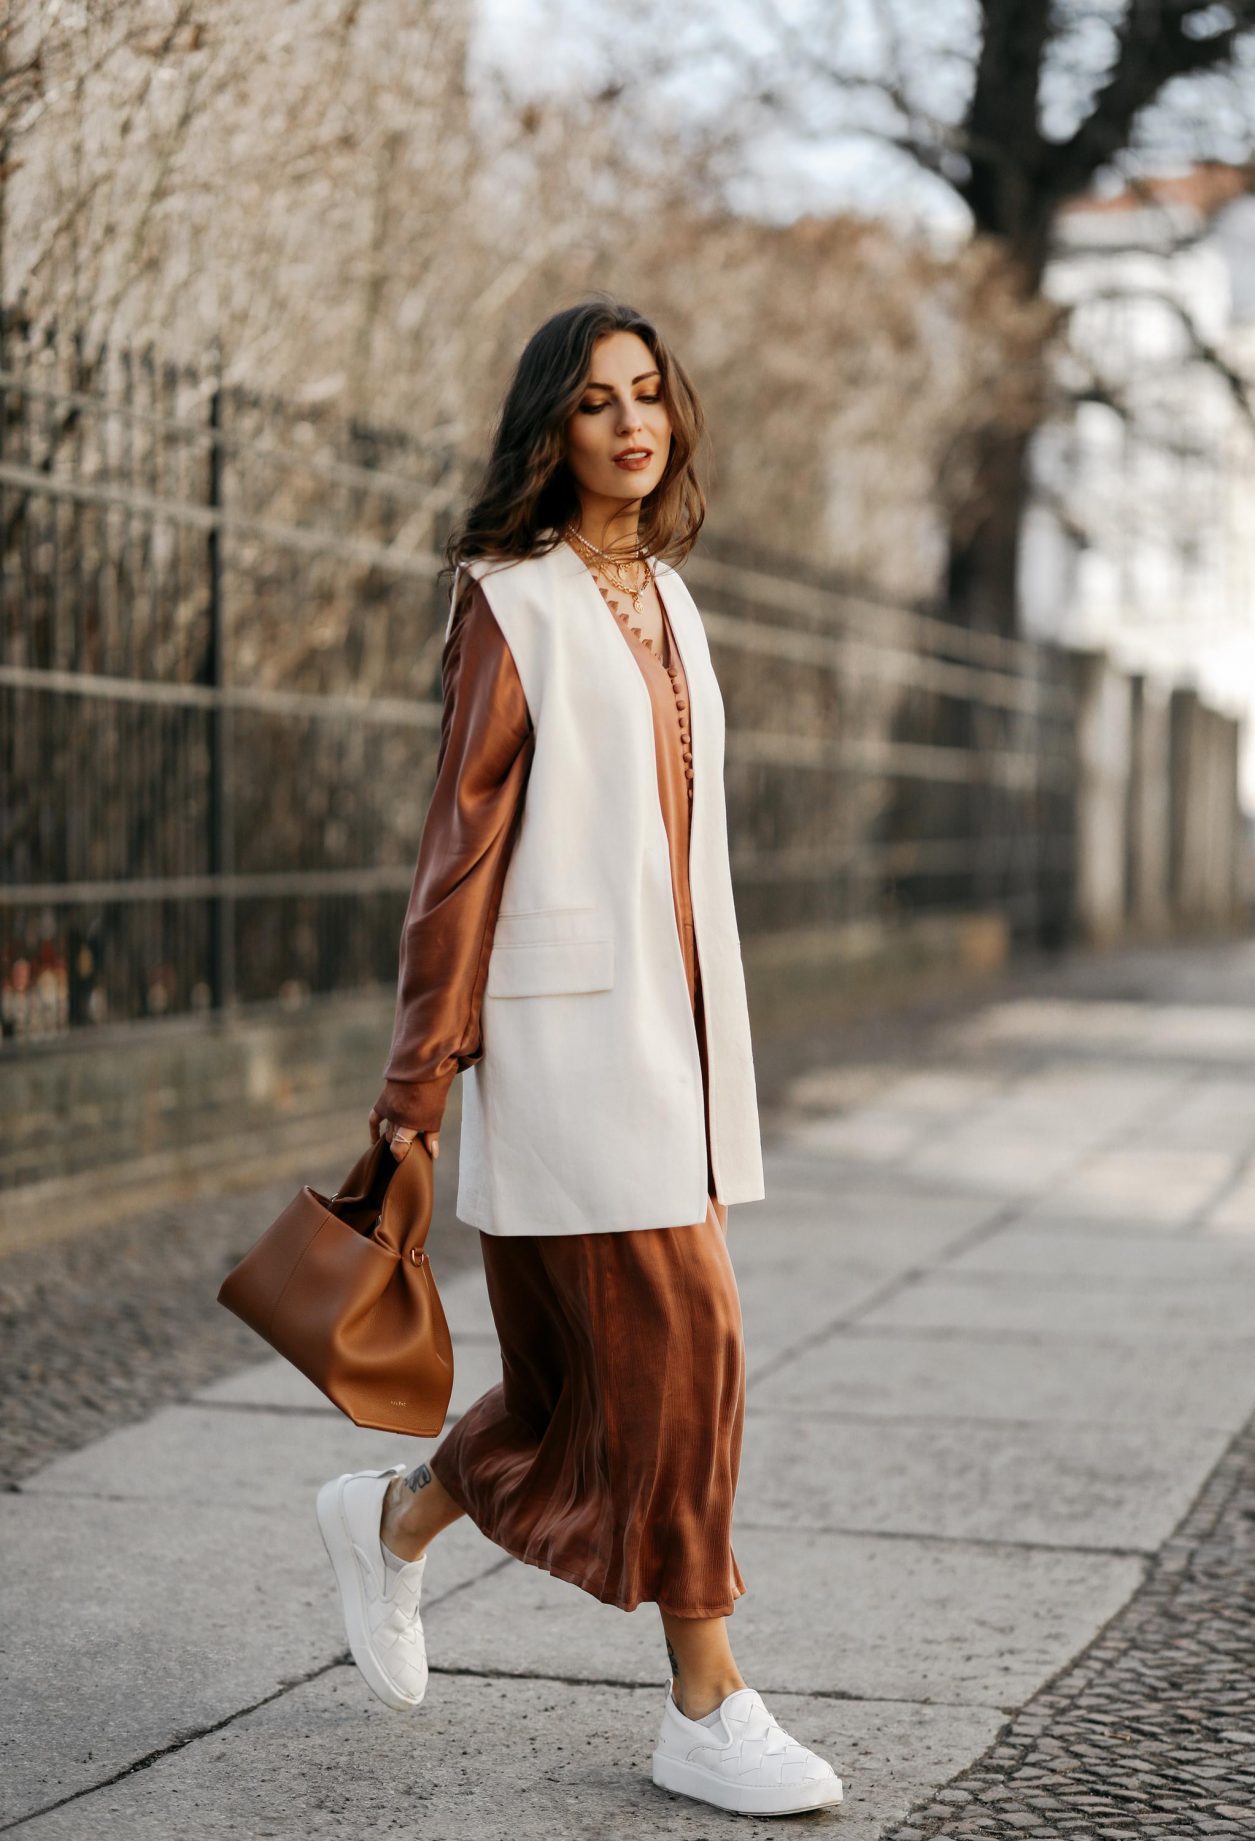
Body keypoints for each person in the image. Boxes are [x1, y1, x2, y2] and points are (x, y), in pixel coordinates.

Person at [314, 299, 843, 1818]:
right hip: (566, 1044)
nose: (631, 422)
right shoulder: (513, 598)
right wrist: (421, 1076)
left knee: (568, 1398)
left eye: (651, 394)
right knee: (692, 1352)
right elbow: (461, 846)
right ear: (550, 424)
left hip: (674, 1036)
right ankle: (708, 1696)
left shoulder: (670, 599)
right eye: (598, 400)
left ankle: (394, 1520)